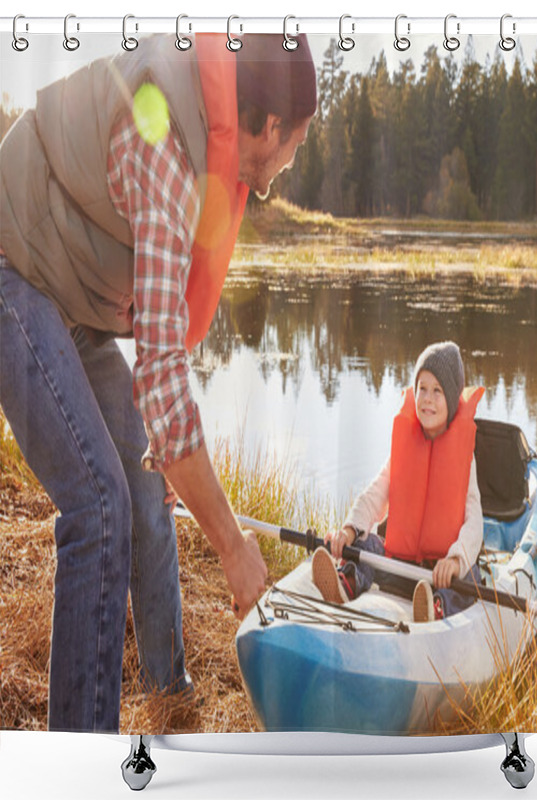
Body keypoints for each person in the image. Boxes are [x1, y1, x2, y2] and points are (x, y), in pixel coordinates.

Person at [0, 32, 317, 733]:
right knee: (101, 508)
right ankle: (80, 756)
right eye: (296, 140)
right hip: (12, 269)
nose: (294, 160)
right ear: (267, 128)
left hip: (66, 297)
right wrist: (233, 547)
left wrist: (173, 455)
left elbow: (164, 368)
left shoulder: (207, 141)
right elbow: (166, 387)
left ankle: (170, 696)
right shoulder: (166, 146)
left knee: (147, 484)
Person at [312, 341, 485, 623]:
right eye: (422, 389)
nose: (427, 398)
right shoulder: (405, 447)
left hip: (438, 574)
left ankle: (436, 608)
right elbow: (374, 495)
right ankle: (346, 584)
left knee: (470, 575)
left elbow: (474, 520)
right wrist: (349, 529)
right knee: (367, 544)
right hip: (400, 565)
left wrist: (455, 560)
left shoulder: (465, 459)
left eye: (437, 391)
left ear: (452, 399)